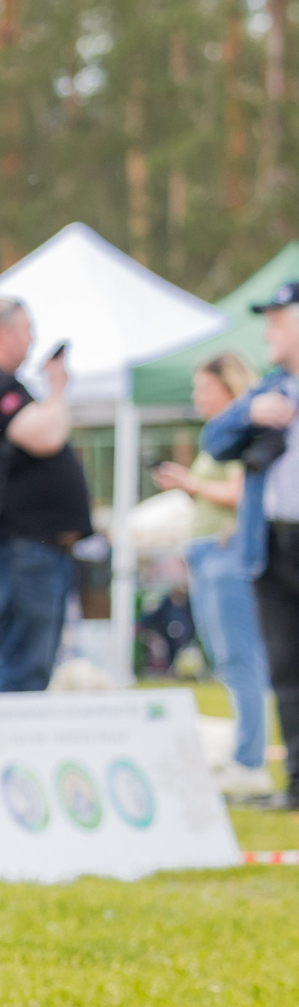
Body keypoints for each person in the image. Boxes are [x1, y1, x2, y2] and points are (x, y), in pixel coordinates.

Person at [156, 352, 274, 797]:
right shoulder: (220, 436)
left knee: (239, 659)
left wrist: (191, 484)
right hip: (207, 553)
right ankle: (245, 755)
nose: (197, 397)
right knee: (226, 659)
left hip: (227, 553)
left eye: (205, 388)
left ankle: (250, 761)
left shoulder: (240, 434)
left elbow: (239, 492)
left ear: (229, 387)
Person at [0, 297, 92, 692]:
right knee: (23, 665)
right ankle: (5, 751)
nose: (32, 341)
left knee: (31, 663)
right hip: (23, 550)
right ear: (3, 333)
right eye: (27, 331)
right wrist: (58, 390)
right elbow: (46, 436)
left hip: (33, 550)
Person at [202, 287, 299, 809]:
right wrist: (250, 414)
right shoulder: (270, 392)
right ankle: (297, 785)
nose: (268, 334)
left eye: (278, 323)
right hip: (273, 545)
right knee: (285, 668)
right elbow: (214, 441)